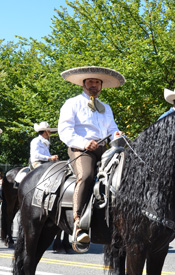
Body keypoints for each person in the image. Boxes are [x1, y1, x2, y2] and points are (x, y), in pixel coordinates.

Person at [58, 66, 125, 252]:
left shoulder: (106, 108)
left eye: (97, 82)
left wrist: (117, 135)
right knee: (86, 175)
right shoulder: (72, 103)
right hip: (80, 149)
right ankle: (78, 224)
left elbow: (112, 129)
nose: (94, 85)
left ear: (101, 86)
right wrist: (84, 143)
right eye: (91, 82)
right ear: (84, 84)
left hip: (104, 150)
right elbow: (65, 131)